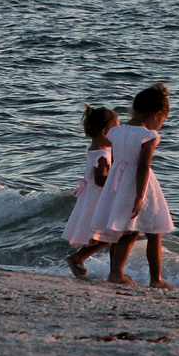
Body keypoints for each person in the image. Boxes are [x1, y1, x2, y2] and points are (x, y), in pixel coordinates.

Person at [89, 83, 175, 288]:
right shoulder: (148, 136)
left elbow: (117, 160)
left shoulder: (115, 132)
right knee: (154, 231)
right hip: (141, 184)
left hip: (118, 181)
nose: (160, 125)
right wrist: (139, 195)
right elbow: (143, 167)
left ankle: (115, 273)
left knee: (126, 231)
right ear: (156, 115)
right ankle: (156, 279)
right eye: (162, 120)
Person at [64, 105, 118, 277]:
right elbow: (100, 179)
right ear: (105, 132)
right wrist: (117, 180)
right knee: (109, 234)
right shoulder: (102, 154)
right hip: (99, 197)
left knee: (107, 235)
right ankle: (79, 257)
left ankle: (113, 269)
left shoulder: (93, 148)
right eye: (115, 131)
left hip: (91, 195)